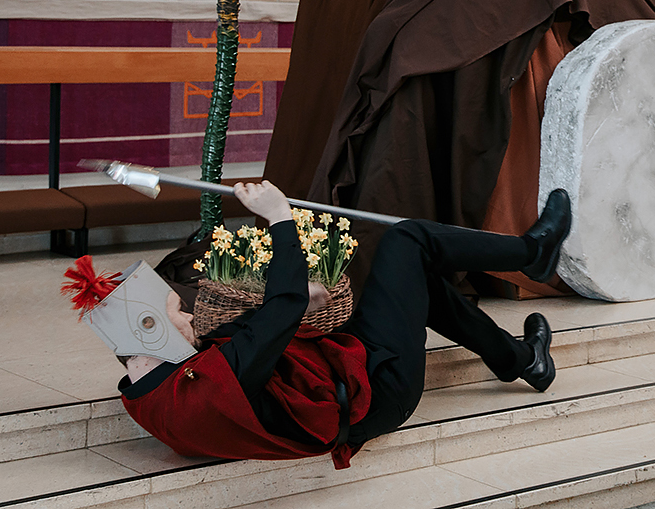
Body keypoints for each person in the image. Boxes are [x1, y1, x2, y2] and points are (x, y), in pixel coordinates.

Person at [64, 181, 572, 468]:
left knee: (414, 284)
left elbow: (259, 338)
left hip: (345, 376)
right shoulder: (208, 385)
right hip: (379, 389)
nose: (190, 314)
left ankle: (522, 360)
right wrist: (279, 216)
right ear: (147, 332)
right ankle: (532, 254)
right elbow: (274, 316)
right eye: (177, 314)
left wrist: (294, 306)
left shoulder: (150, 384)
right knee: (408, 242)